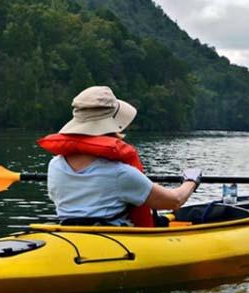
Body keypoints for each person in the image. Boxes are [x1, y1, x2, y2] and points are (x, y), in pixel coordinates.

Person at [39, 86, 201, 227]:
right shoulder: (120, 173)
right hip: (116, 242)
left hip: (72, 236)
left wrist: (144, 186)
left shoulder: (55, 165)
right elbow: (175, 201)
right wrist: (191, 181)